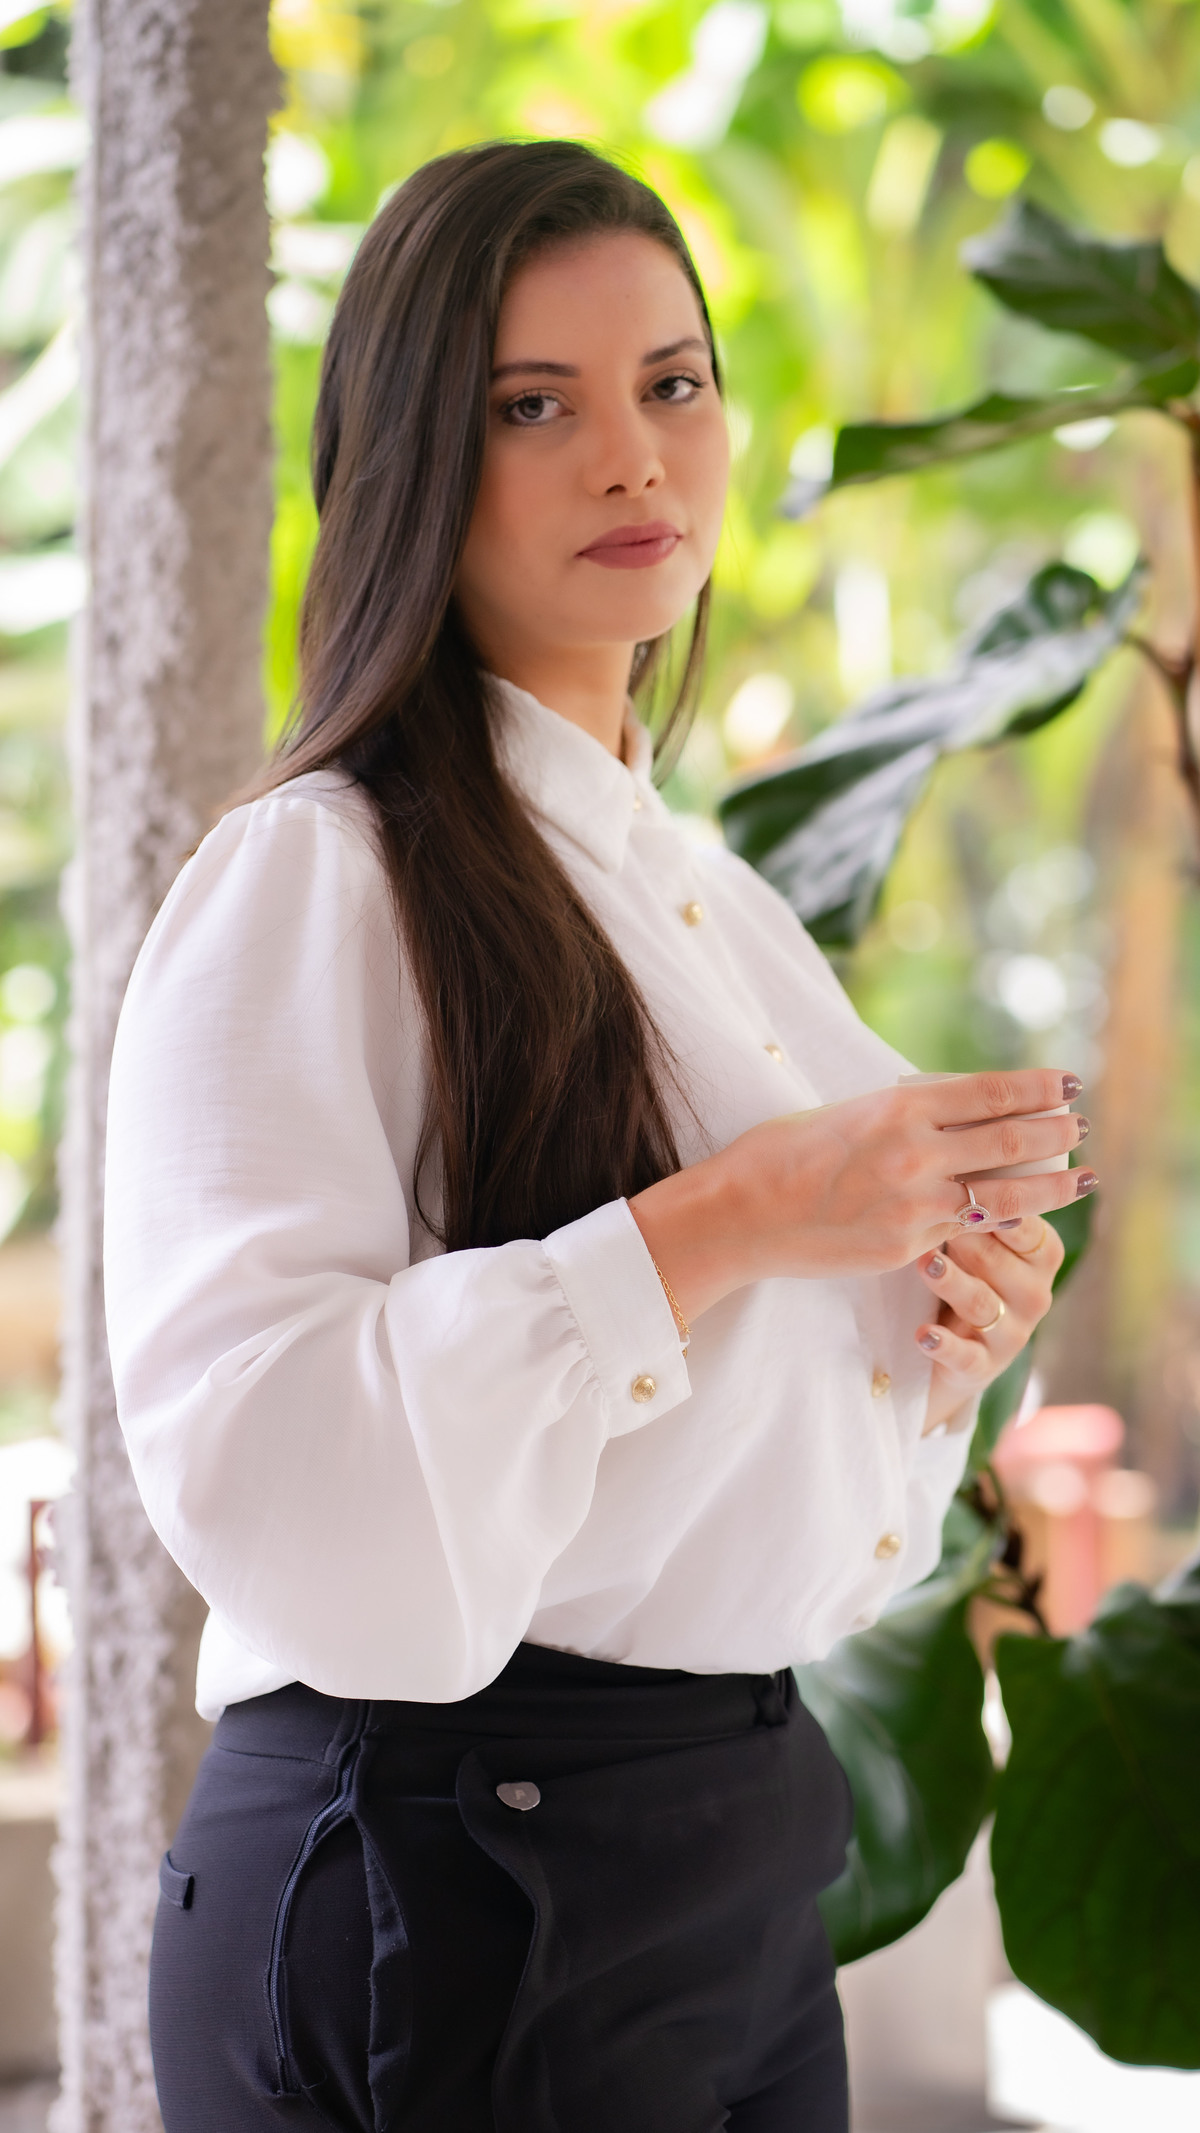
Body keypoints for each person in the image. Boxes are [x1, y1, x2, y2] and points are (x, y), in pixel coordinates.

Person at [103, 140, 1095, 2133]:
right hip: (458, 1865)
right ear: (410, 462)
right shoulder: (316, 872)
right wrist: (720, 1223)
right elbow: (258, 1451)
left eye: (673, 382)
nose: (634, 457)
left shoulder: (702, 898)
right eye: (532, 407)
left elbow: (737, 1461)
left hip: (721, 1847)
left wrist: (937, 1335)